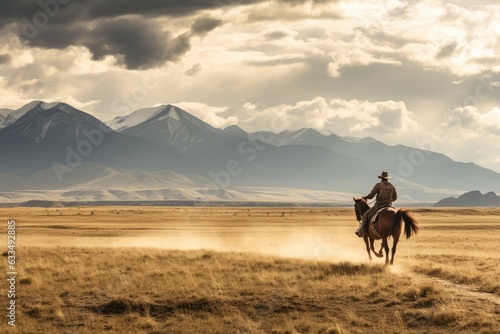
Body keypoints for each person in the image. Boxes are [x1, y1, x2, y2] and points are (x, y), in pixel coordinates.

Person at [356, 171, 397, 237]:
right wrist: (389, 200)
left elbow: (371, 195)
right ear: (387, 178)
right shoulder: (392, 186)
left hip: (379, 205)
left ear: (381, 178)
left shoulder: (378, 185)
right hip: (389, 205)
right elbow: (395, 198)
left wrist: (365, 197)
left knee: (365, 215)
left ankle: (361, 232)